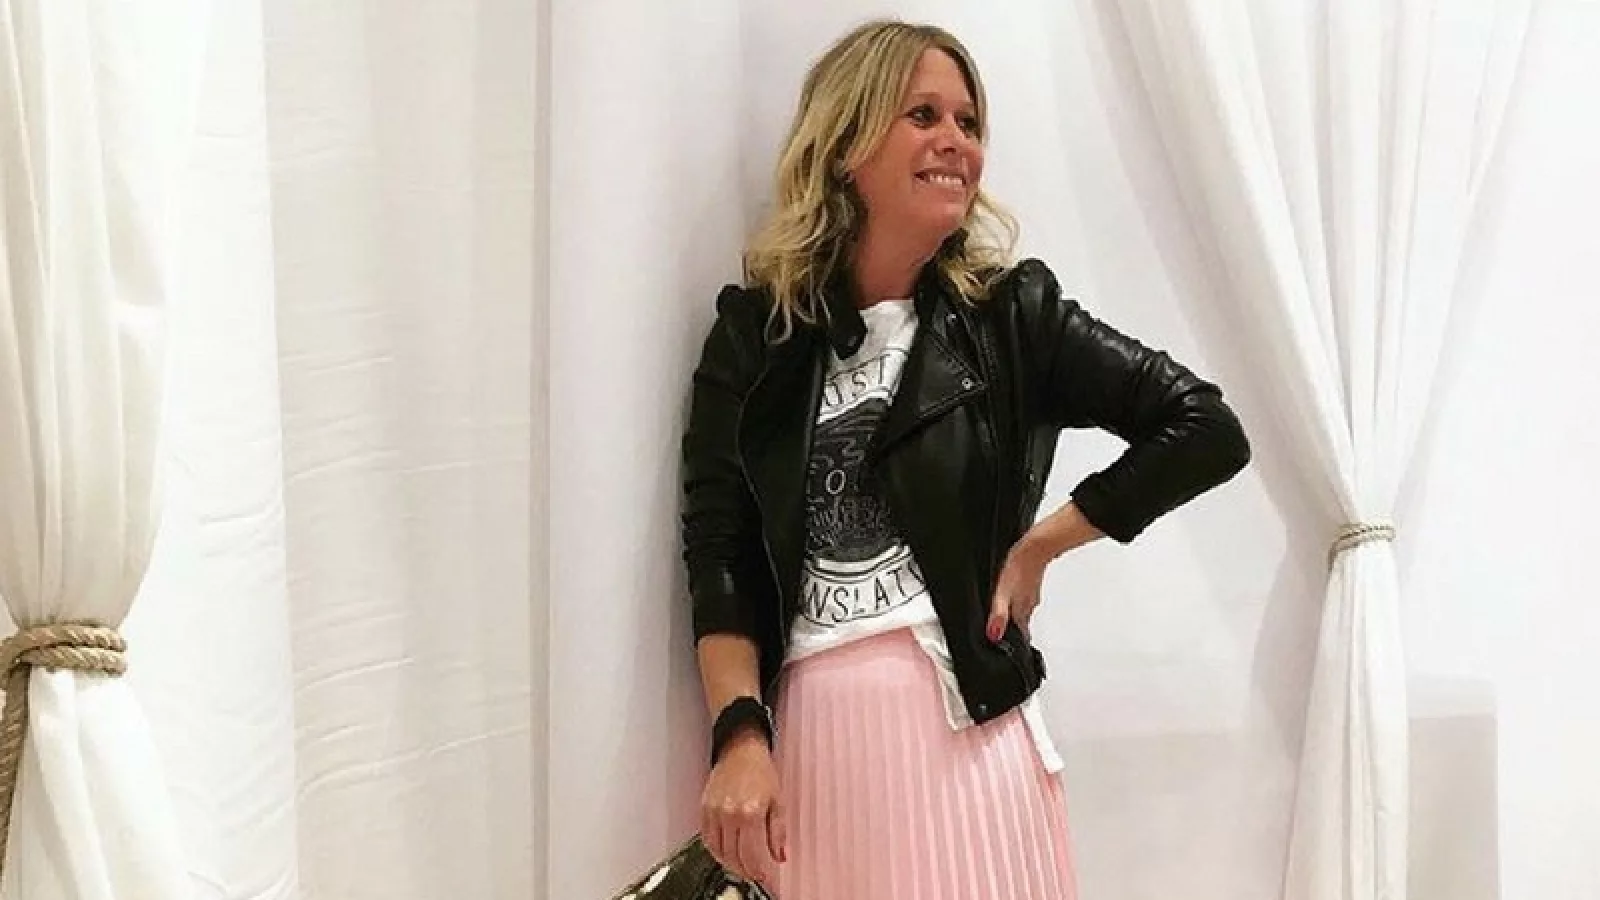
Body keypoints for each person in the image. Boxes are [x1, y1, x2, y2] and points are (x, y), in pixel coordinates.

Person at [679, 19, 1250, 900]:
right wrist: (740, 733)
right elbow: (718, 550)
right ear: (848, 145)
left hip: (969, 742)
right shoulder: (757, 339)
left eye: (969, 122)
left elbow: (1205, 426)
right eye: (923, 115)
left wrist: (1044, 543)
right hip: (821, 754)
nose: (956, 141)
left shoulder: (1013, 320)